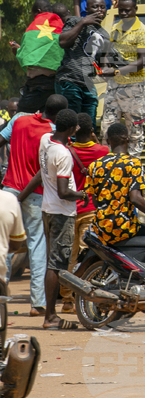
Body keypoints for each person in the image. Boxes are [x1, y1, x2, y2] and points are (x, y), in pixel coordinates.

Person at [5, 94, 66, 315]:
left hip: (9, 189)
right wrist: (23, 195)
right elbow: (42, 172)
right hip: (34, 193)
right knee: (37, 245)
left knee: (4, 247)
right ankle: (38, 303)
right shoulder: (52, 134)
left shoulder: (18, 121)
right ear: (58, 115)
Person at [85, 123, 145, 250]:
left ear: (108, 141)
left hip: (101, 229)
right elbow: (135, 198)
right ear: (127, 139)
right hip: (125, 228)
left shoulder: (95, 166)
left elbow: (96, 202)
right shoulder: (133, 164)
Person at [37, 109, 85, 330]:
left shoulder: (45, 140)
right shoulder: (63, 154)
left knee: (52, 262)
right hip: (61, 213)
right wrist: (82, 195)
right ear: (72, 128)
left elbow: (43, 173)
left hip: (47, 209)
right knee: (56, 265)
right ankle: (50, 317)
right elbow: (64, 192)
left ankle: (51, 314)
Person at [61, 112, 109, 312]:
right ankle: (83, 296)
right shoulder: (102, 151)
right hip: (90, 209)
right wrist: (95, 140)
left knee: (69, 256)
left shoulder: (66, 151)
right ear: (91, 131)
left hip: (69, 209)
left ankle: (67, 299)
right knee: (86, 255)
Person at [101, 0, 145, 158]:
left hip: (135, 86)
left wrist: (116, 71)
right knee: (107, 128)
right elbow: (108, 52)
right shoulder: (116, 27)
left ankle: (133, 167)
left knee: (134, 131)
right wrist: (105, 66)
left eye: (127, 10)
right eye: (121, 10)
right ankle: (109, 164)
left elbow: (143, 61)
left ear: (135, 9)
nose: (123, 13)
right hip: (115, 85)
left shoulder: (142, 32)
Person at [55, 0, 111, 125]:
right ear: (87, 9)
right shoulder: (75, 21)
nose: (99, 10)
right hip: (70, 80)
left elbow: (101, 64)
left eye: (102, 7)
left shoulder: (105, 35)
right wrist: (83, 22)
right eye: (95, 7)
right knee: (70, 124)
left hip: (89, 84)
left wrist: (108, 70)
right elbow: (63, 42)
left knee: (89, 125)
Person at [12, 0, 64, 114]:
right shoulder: (61, 25)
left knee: (21, 117)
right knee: (50, 118)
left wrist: (17, 51)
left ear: (38, 11)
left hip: (36, 85)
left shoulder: (34, 26)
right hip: (55, 83)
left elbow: (27, 58)